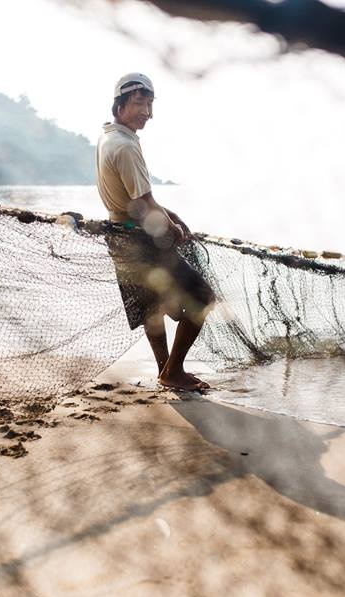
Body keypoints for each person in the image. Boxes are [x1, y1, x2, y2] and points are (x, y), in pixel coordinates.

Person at [97, 73, 215, 391]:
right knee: (203, 297)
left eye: (150, 104)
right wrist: (171, 228)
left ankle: (166, 370)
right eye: (139, 103)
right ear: (119, 105)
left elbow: (138, 198)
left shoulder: (110, 137)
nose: (146, 112)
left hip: (119, 238)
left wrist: (171, 216)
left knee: (151, 307)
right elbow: (144, 203)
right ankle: (172, 372)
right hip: (140, 241)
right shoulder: (125, 146)